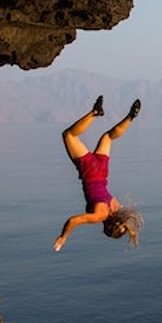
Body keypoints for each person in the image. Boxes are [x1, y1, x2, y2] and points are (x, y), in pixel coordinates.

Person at [54, 95, 144, 252]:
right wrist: (63, 237)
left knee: (108, 137)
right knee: (69, 135)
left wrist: (125, 226)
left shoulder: (116, 207)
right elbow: (73, 220)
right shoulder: (99, 216)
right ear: (108, 227)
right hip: (90, 171)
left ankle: (130, 118)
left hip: (102, 171)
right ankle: (95, 112)